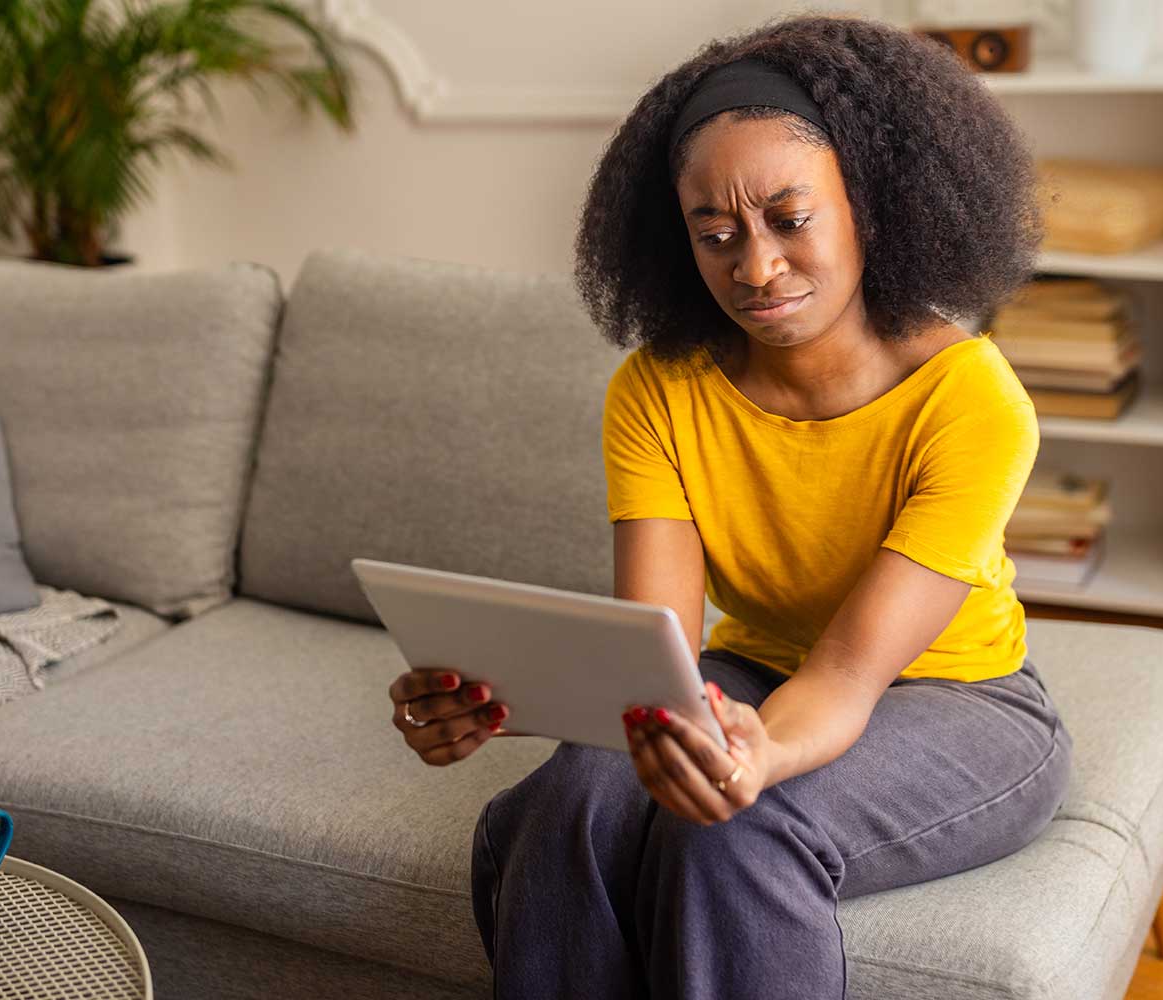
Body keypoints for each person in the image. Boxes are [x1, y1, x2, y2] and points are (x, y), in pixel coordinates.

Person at [383, 13, 1072, 999]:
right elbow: (652, 650)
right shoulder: (657, 391)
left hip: (960, 700)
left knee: (734, 820)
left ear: (867, 208)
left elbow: (842, 674)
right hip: (747, 669)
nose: (753, 267)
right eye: (715, 235)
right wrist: (492, 704)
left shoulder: (970, 399)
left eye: (789, 221)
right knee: (571, 796)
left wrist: (757, 753)